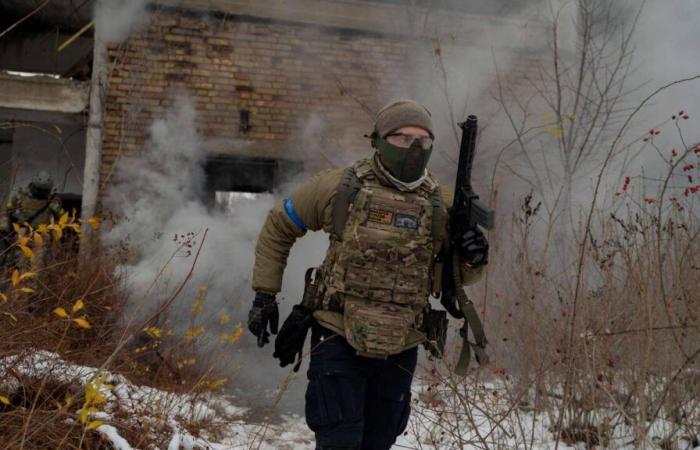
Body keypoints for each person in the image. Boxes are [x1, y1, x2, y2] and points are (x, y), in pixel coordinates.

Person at [248, 99, 489, 450]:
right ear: (377, 140)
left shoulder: (441, 203)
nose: (414, 147)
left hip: (402, 341)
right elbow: (279, 225)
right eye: (402, 138)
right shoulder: (340, 187)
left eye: (422, 139)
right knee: (339, 441)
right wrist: (264, 294)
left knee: (379, 441)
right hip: (337, 334)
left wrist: (473, 257)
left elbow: (457, 278)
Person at [0, 171, 62, 268]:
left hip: (41, 235)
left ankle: (31, 282)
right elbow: (7, 211)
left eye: (43, 190)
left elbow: (61, 218)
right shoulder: (21, 196)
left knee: (36, 267)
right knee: (20, 263)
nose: (40, 192)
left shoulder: (52, 201)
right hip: (23, 233)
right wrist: (4, 227)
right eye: (39, 189)